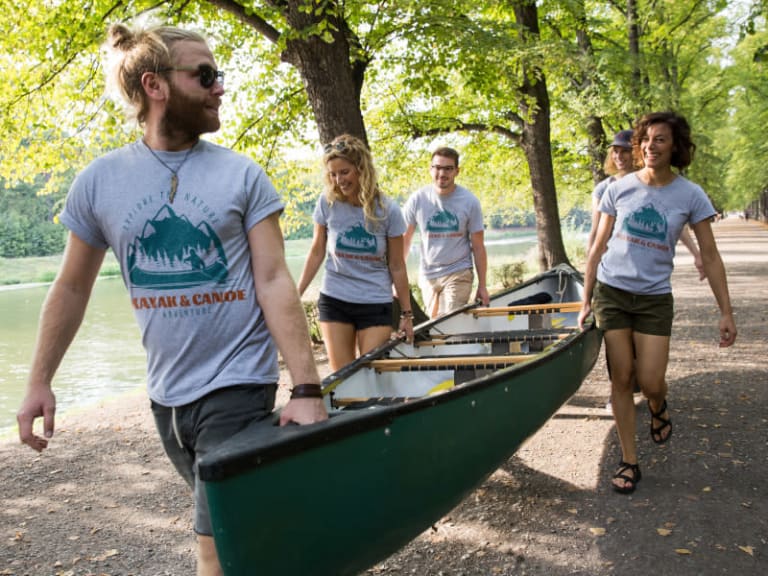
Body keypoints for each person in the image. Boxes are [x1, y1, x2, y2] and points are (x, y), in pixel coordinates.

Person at [16, 23, 327, 576]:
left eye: (218, 74)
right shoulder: (99, 182)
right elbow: (70, 286)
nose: (220, 86)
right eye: (204, 75)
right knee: (241, 529)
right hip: (165, 399)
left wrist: (305, 387)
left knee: (214, 543)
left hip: (238, 384)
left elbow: (275, 279)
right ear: (155, 85)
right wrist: (39, 380)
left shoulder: (242, 175)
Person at [578, 111, 737, 495]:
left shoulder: (691, 195)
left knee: (650, 381)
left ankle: (658, 404)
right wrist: (586, 299)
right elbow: (598, 246)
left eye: (660, 139)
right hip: (613, 293)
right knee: (621, 378)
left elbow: (711, 256)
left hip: (653, 298)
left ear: (675, 146)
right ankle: (629, 460)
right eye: (646, 139)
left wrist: (726, 311)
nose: (650, 146)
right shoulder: (619, 188)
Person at [589, 130, 705, 413]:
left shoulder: (655, 184)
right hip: (612, 275)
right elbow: (596, 234)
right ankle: (619, 389)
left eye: (624, 150)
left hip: (648, 284)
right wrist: (590, 270)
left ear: (635, 153)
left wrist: (696, 252)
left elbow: (672, 226)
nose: (619, 156)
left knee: (644, 358)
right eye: (614, 151)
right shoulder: (605, 188)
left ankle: (647, 388)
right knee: (618, 349)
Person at [297, 134, 414, 373]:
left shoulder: (387, 210)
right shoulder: (327, 203)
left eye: (344, 172)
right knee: (344, 378)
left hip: (375, 301)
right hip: (335, 299)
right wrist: (296, 295)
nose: (339, 180)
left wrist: (407, 313)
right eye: (333, 174)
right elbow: (317, 251)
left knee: (370, 373)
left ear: (361, 169)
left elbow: (397, 265)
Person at [403, 147, 490, 318]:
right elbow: (404, 240)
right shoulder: (417, 199)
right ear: (431, 169)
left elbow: (478, 247)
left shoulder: (469, 202)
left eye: (448, 168)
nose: (442, 173)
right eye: (437, 167)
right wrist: (396, 277)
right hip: (428, 275)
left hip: (459, 272)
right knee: (435, 324)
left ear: (457, 171)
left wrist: (482, 285)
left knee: (447, 319)